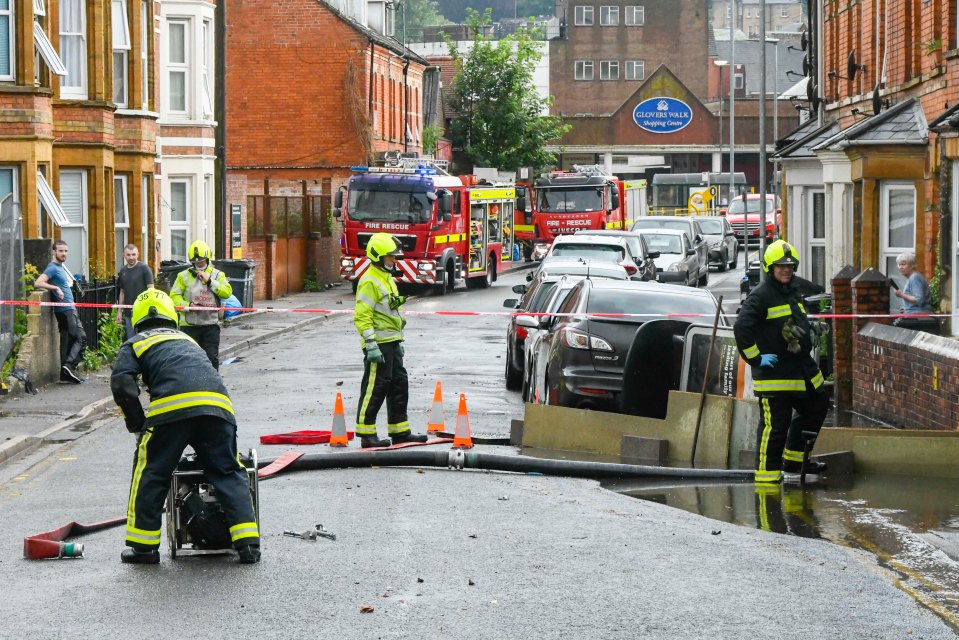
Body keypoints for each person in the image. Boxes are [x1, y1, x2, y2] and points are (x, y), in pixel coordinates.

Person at [111, 289, 260, 564]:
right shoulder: (189, 341)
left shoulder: (135, 343)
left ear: (139, 319)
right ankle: (248, 544)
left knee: (152, 472)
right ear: (171, 316)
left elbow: (122, 384)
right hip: (218, 408)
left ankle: (143, 547)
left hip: (170, 411)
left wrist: (138, 426)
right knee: (227, 471)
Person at [734, 240, 829, 485]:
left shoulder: (792, 291)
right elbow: (742, 327)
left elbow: (791, 321)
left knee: (818, 404)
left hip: (800, 370)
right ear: (770, 268)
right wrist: (756, 358)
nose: (786, 270)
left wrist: (810, 327)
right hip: (775, 375)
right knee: (776, 426)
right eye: (780, 266)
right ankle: (767, 478)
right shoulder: (761, 296)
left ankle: (795, 462)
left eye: (789, 265)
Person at [354, 232, 429, 448]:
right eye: (390, 257)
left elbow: (388, 309)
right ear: (378, 256)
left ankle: (400, 431)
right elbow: (362, 315)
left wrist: (399, 339)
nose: (393, 260)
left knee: (398, 384)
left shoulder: (385, 277)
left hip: (393, 342)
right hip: (378, 344)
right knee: (376, 386)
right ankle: (366, 433)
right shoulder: (369, 281)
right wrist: (370, 345)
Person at [170, 240, 231, 369]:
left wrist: (210, 281)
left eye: (201, 261)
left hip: (210, 325)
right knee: (189, 359)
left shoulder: (217, 275)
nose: (199, 264)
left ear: (207, 258)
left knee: (211, 358)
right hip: (189, 325)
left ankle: (212, 386)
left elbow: (227, 292)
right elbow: (174, 297)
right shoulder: (183, 276)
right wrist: (188, 305)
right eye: (196, 262)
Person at [33, 239, 86, 384]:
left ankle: (65, 375)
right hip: (65, 309)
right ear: (54, 252)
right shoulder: (52, 268)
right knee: (80, 337)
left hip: (68, 308)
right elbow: (38, 282)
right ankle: (69, 366)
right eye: (61, 251)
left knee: (67, 341)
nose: (64, 254)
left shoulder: (60, 267)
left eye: (66, 251)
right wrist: (55, 288)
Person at [115, 243, 154, 340]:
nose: (131, 257)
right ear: (124, 255)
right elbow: (122, 292)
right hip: (129, 314)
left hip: (143, 312)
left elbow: (151, 290)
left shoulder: (144, 269)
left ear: (138, 254)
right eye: (128, 255)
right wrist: (119, 312)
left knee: (144, 340)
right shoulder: (122, 271)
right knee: (132, 340)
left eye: (133, 254)